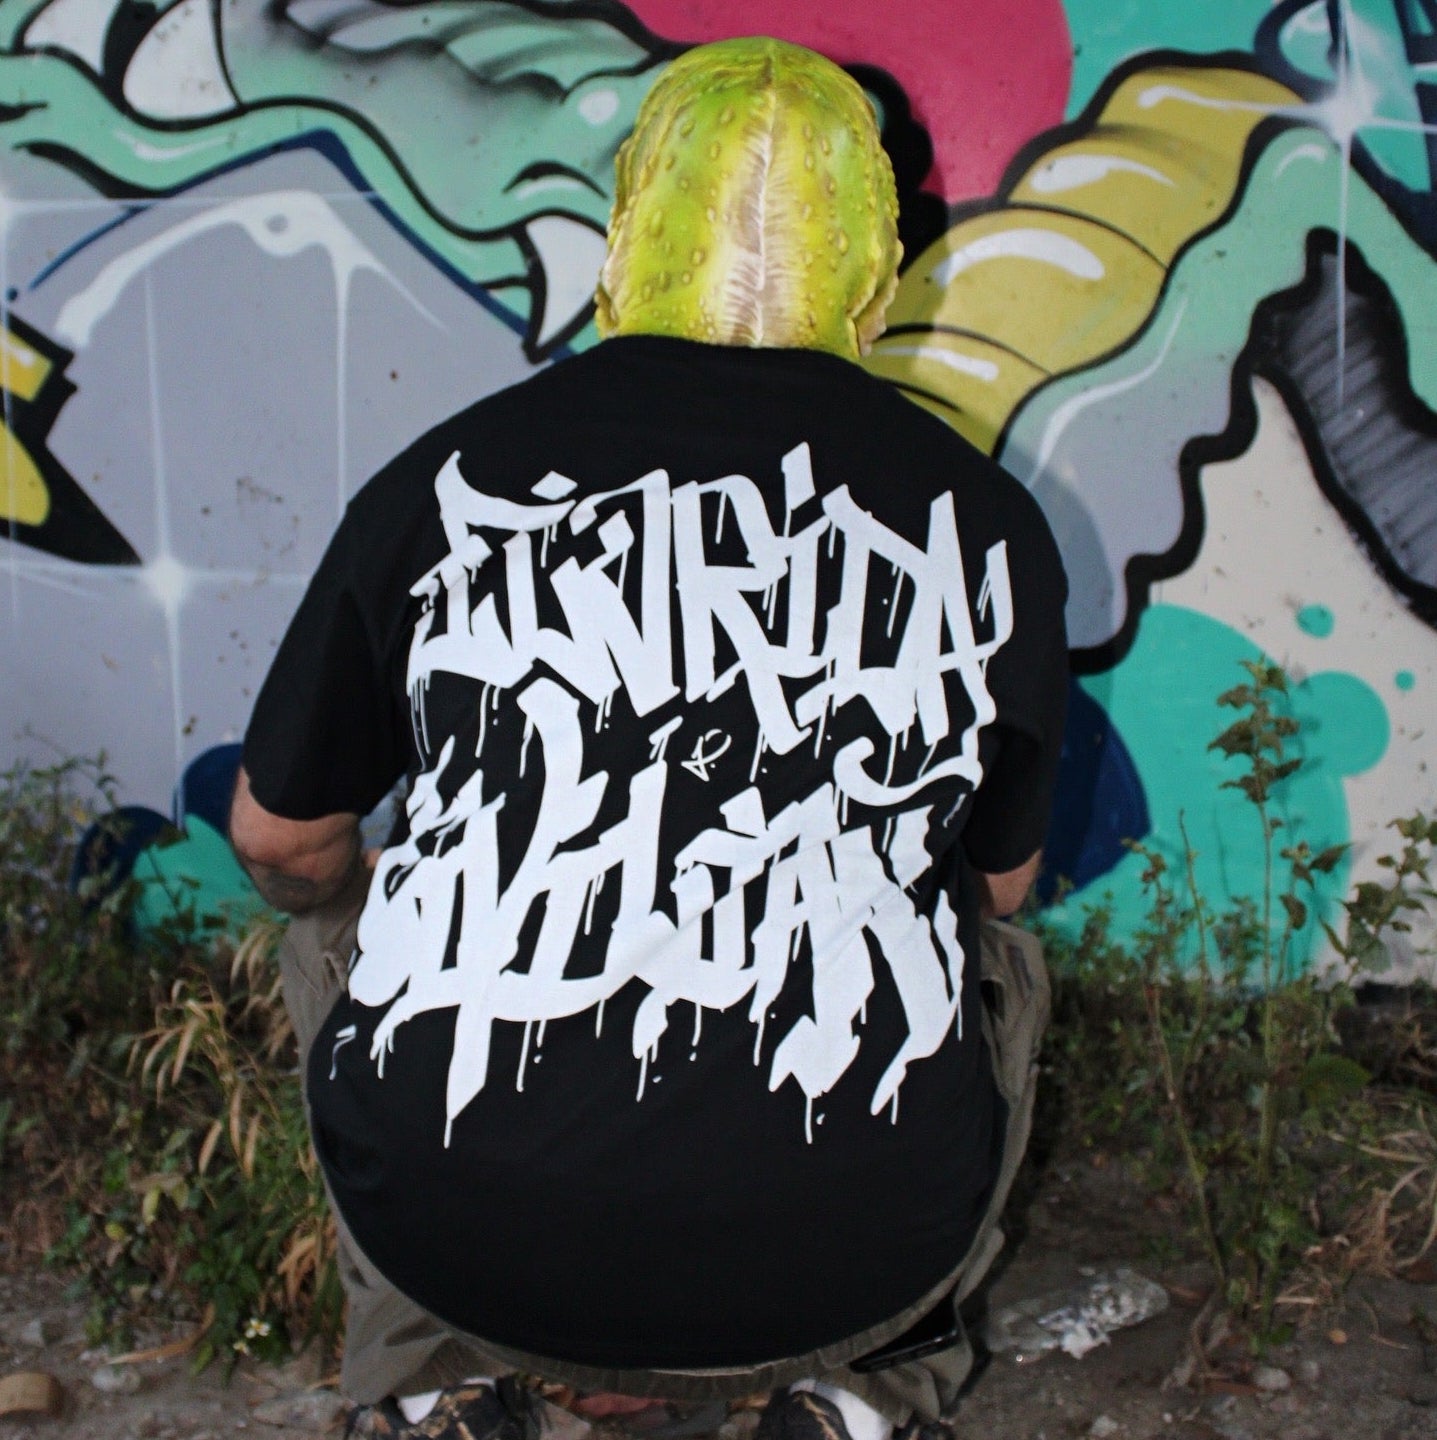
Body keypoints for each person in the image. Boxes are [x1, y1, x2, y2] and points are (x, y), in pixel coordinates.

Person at [230, 36, 1068, 1440]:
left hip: (465, 1228)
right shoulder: (980, 519)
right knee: (989, 956)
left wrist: (417, 893)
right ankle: (865, 1386)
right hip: (843, 1239)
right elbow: (1000, 884)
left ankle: (432, 1376)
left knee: (335, 917)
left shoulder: (443, 480)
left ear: (628, 230)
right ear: (872, 262)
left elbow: (278, 839)